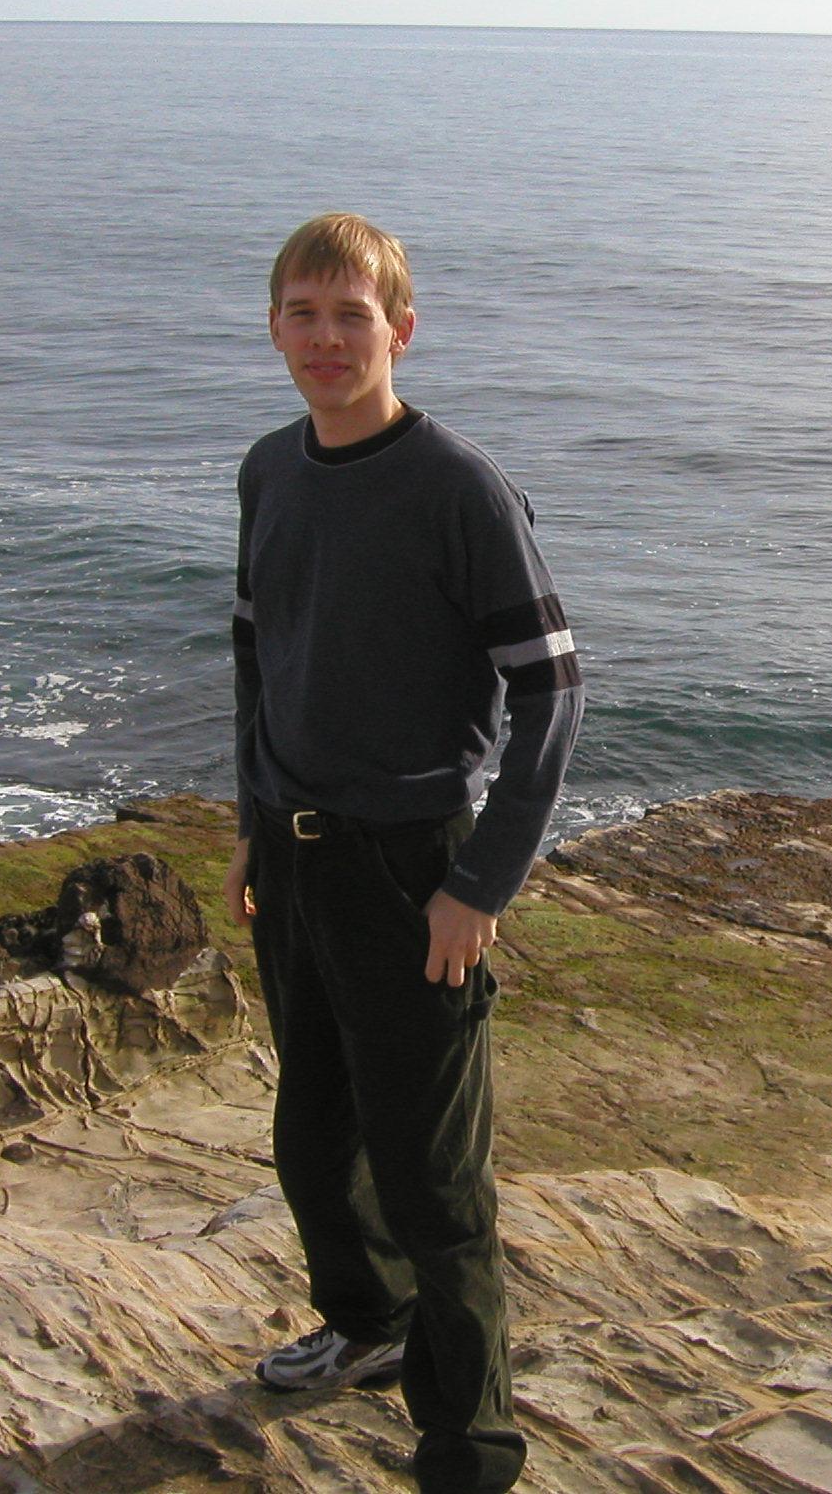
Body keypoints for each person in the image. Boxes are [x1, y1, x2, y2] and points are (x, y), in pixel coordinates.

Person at [224, 212, 583, 1492]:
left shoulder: (457, 488)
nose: (326, 339)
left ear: (400, 331)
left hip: (410, 869)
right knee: (314, 1136)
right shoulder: (271, 468)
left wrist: (477, 883)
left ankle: (469, 1444)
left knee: (435, 1180)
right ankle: (366, 1327)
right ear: (274, 327)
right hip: (297, 857)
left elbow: (552, 691)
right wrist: (252, 819)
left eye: (351, 316)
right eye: (303, 315)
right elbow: (258, 651)